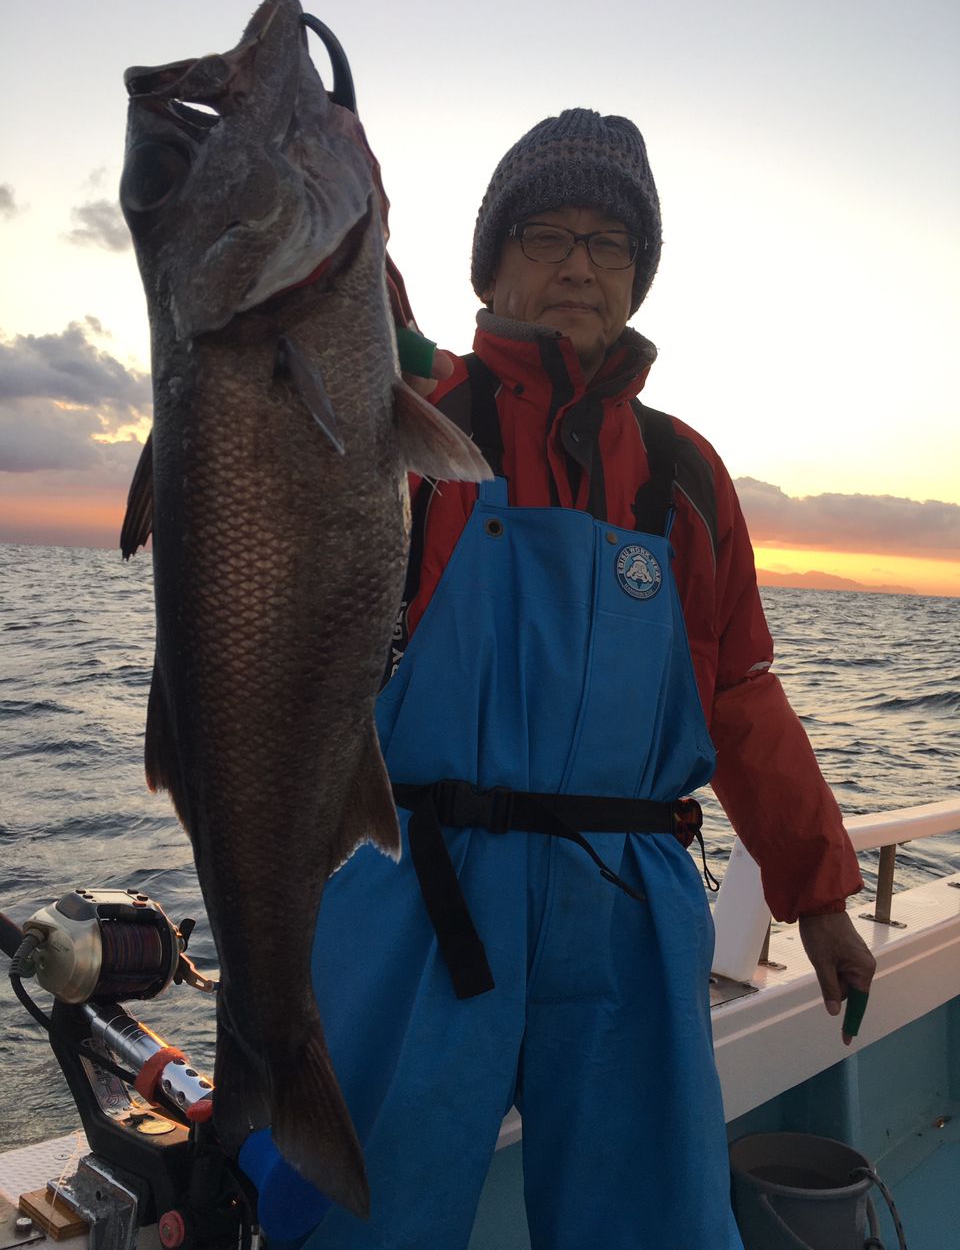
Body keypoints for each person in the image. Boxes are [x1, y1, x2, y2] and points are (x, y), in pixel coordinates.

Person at [301, 109, 877, 1249]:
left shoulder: (684, 471)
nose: (577, 262)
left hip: (627, 899)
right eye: (546, 233)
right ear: (495, 262)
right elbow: (331, 301)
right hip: (427, 888)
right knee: (366, 1218)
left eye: (608, 242)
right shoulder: (416, 407)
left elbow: (744, 693)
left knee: (650, 1220)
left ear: (638, 275)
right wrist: (316, 154)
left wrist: (816, 894)